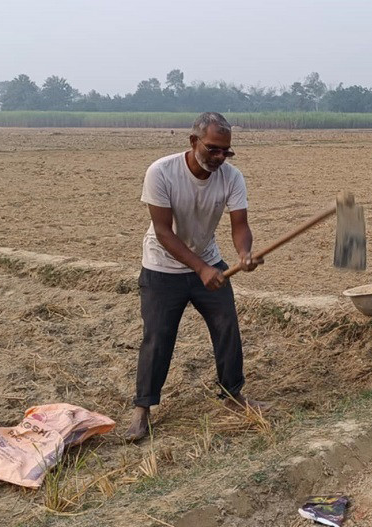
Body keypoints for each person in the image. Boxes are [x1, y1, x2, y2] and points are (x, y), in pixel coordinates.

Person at [126, 112, 266, 441]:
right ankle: (142, 409)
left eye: (226, 152)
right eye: (213, 149)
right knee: (158, 337)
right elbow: (163, 232)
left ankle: (233, 395)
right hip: (162, 267)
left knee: (227, 325)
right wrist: (200, 269)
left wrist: (244, 254)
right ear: (193, 141)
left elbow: (240, 226)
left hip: (208, 258)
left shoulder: (231, 178)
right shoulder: (161, 172)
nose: (219, 157)